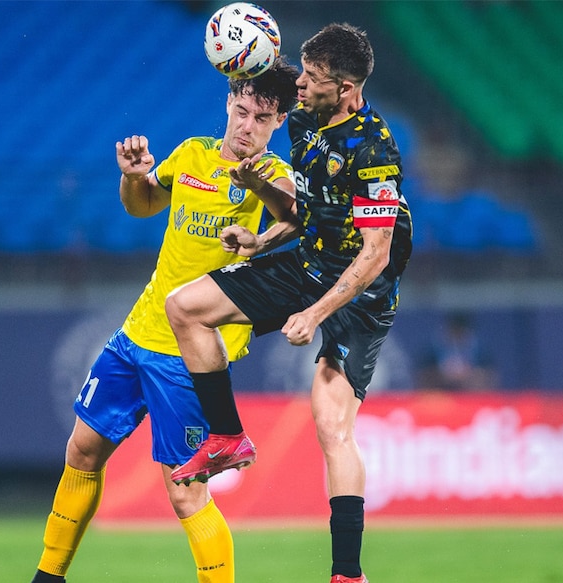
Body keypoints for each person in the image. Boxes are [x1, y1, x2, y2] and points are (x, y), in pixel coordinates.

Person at [29, 59, 301, 583]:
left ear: (278, 124)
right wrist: (133, 178)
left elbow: (291, 215)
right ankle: (49, 576)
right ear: (227, 104)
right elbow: (143, 205)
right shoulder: (193, 153)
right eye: (241, 111)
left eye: (262, 119)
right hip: (137, 334)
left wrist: (256, 186)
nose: (247, 126)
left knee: (184, 491)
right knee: (82, 449)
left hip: (190, 354)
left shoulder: (272, 173)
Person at [165, 23, 413, 583]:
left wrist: (315, 312)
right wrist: (261, 238)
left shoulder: (374, 151)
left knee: (331, 426)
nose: (299, 84)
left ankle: (347, 573)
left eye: (313, 78)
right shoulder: (303, 121)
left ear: (347, 89)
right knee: (185, 306)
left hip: (360, 292)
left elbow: (376, 253)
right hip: (310, 260)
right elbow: (306, 213)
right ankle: (226, 436)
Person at [415, 311, 497, 391]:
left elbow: (491, 376)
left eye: (461, 331)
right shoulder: (434, 348)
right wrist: (443, 375)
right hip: (440, 394)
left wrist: (468, 375)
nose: (457, 334)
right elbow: (422, 376)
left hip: (470, 393)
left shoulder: (479, 349)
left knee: (480, 376)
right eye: (455, 330)